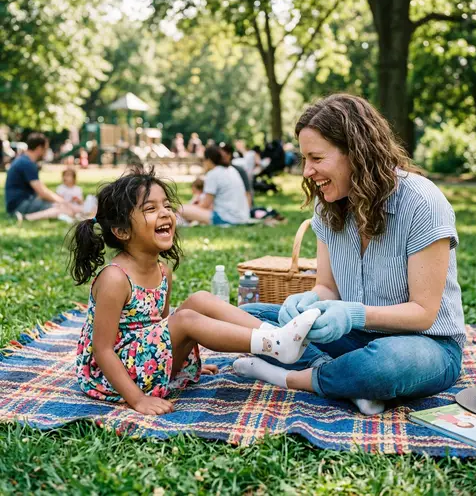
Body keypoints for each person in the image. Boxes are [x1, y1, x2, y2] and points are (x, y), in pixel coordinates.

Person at [233, 93, 465, 415]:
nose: (306, 172)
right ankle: (346, 379)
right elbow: (327, 287)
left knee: (383, 366)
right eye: (304, 159)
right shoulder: (327, 205)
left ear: (355, 153)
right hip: (353, 337)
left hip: (425, 345)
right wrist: (308, 301)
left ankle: (294, 377)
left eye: (316, 158)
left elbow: (423, 312)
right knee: (249, 317)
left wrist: (352, 314)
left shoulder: (422, 202)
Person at [69, 166, 320, 415]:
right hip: (114, 376)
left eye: (167, 206)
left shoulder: (163, 271)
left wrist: (184, 357)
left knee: (200, 300)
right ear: (122, 231)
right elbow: (101, 350)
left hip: (149, 365)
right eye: (150, 208)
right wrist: (137, 400)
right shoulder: (115, 278)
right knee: (186, 319)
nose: (165, 213)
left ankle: (277, 336)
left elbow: (162, 327)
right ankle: (274, 344)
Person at [5, 132, 76, 223]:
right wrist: (63, 202)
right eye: (45, 149)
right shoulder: (27, 163)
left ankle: (26, 216)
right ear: (39, 148)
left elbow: (41, 189)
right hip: (20, 205)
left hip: (19, 203)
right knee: (65, 210)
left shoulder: (24, 160)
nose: (46, 152)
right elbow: (42, 192)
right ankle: (26, 217)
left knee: (60, 206)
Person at [178, 146, 250, 225]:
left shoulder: (213, 174)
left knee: (182, 209)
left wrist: (192, 208)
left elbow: (205, 204)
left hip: (228, 219)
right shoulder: (232, 170)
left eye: (203, 160)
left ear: (208, 160)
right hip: (243, 217)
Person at [220, 143, 252, 207]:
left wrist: (247, 210)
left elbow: (247, 192)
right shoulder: (218, 171)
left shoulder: (239, 170)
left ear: (229, 155)